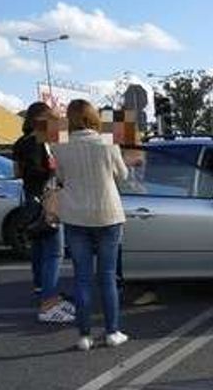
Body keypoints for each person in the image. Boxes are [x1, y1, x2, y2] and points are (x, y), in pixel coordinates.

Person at [53, 99, 129, 351]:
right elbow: (122, 176)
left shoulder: (60, 145)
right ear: (94, 117)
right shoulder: (108, 142)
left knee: (82, 278)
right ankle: (112, 332)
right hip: (108, 214)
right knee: (107, 277)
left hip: (75, 216)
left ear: (70, 118)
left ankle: (84, 336)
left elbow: (61, 177)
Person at [11, 102, 74, 324]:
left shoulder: (20, 142)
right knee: (54, 253)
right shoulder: (40, 141)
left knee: (39, 247)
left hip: (31, 199)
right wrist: (53, 169)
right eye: (52, 116)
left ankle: (42, 290)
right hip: (48, 200)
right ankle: (50, 302)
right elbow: (43, 170)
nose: (56, 119)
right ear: (41, 118)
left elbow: (17, 171)